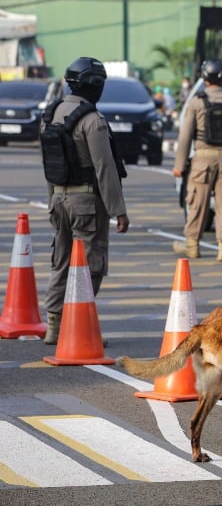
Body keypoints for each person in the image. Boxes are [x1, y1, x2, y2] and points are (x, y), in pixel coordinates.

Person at [41, 57, 130, 344]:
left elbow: (51, 164)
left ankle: (54, 326)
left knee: (62, 262)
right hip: (87, 205)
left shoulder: (50, 115)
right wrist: (119, 211)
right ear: (95, 85)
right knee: (90, 266)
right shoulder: (92, 120)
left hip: (58, 200)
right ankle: (76, 327)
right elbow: (105, 168)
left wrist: (52, 201)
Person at [172, 59, 222, 262]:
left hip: (202, 160)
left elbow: (185, 137)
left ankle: (192, 245)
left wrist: (179, 165)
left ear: (205, 79)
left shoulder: (196, 102)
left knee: (198, 202)